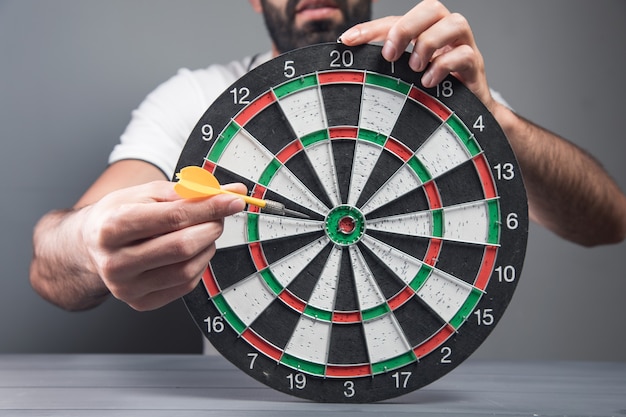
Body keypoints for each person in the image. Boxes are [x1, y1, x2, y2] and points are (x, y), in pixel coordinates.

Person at [30, 0, 626, 313]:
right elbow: (49, 267)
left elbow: (609, 221)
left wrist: (494, 119)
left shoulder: (437, 95)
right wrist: (89, 242)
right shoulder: (195, 100)